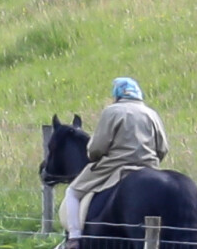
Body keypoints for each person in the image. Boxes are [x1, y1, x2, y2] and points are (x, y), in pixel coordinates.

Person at [64, 77, 169, 249]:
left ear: (117, 95)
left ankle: (74, 238)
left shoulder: (112, 111)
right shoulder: (152, 114)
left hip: (114, 166)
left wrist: (93, 155)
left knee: (72, 192)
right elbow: (163, 148)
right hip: (149, 165)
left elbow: (96, 148)